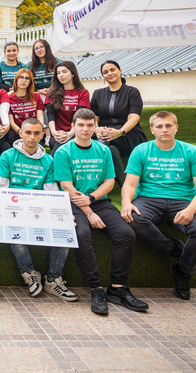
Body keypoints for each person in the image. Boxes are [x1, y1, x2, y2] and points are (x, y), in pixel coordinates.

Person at [55, 108, 148, 315]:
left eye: (90, 125)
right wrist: (88, 211)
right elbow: (67, 186)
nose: (85, 129)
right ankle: (96, 288)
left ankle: (117, 289)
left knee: (126, 235)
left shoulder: (103, 150)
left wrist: (92, 199)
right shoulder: (63, 151)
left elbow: (109, 182)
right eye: (81, 125)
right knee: (81, 234)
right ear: (73, 126)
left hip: (99, 201)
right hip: (73, 203)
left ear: (95, 126)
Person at [121, 110, 196, 301]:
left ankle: (182, 272)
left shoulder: (191, 152)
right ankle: (174, 248)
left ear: (176, 128)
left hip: (183, 201)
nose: (164, 130)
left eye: (168, 125)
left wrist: (190, 210)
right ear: (152, 130)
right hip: (149, 199)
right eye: (159, 126)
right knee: (132, 218)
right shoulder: (141, 151)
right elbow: (130, 184)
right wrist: (126, 202)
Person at [0, 118, 77, 302]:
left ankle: (53, 278)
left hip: (38, 207)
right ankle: (29, 272)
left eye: (37, 133)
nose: (32, 137)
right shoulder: (7, 156)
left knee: (65, 229)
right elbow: (1, 188)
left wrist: (62, 214)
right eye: (28, 132)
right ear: (21, 133)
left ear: (42, 135)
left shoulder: (48, 160)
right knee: (13, 228)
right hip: (13, 206)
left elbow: (51, 192)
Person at [90, 60, 148, 187]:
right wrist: (96, 129)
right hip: (104, 133)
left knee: (102, 145)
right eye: (105, 72)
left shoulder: (132, 92)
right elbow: (94, 118)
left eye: (112, 69)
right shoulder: (97, 93)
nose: (109, 73)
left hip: (128, 134)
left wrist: (120, 132)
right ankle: (125, 187)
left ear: (120, 70)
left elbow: (134, 118)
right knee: (110, 149)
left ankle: (91, 182)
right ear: (102, 76)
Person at [46, 61, 90, 155]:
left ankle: (50, 168)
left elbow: (80, 117)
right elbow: (50, 115)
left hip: (77, 134)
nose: (61, 75)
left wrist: (70, 133)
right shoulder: (51, 92)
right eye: (58, 73)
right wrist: (54, 133)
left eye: (64, 71)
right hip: (57, 135)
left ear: (73, 73)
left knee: (63, 147)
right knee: (59, 143)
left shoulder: (83, 93)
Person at [8, 68, 44, 135]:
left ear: (30, 82)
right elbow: (11, 122)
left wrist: (36, 131)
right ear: (16, 80)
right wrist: (21, 132)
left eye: (27, 78)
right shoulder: (8, 98)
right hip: (17, 133)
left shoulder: (36, 96)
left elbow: (40, 118)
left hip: (34, 132)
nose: (24, 80)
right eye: (21, 77)